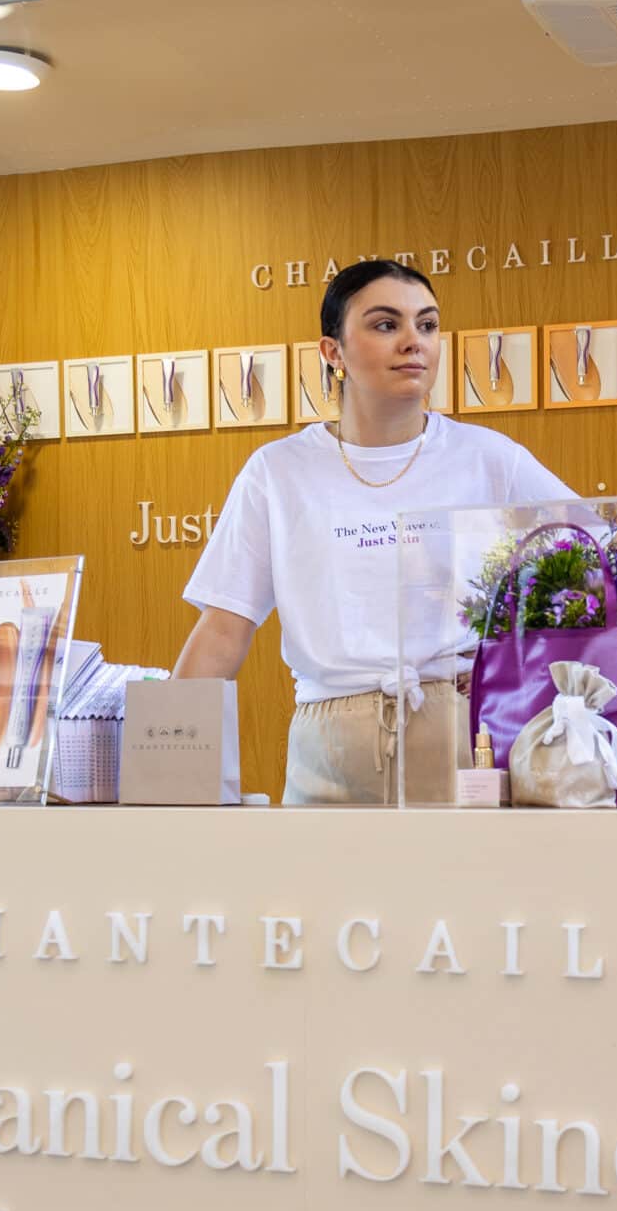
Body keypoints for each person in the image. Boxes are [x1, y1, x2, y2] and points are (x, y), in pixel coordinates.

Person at [176, 259, 573, 804]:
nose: (414, 341)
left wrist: (507, 662)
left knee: (463, 888)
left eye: (427, 325)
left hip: (464, 738)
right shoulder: (278, 471)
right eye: (387, 325)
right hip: (329, 743)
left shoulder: (489, 459)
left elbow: (598, 569)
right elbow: (223, 629)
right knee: (323, 890)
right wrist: (166, 773)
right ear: (332, 352)